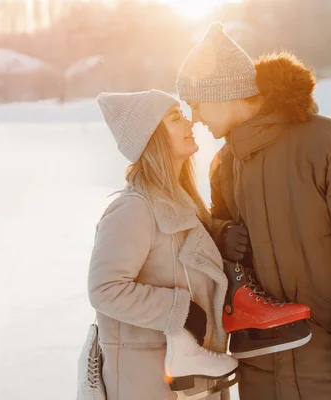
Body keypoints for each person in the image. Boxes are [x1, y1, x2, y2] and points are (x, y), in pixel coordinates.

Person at [176, 23, 331, 400]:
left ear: (224, 93)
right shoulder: (225, 164)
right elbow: (220, 255)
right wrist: (220, 233)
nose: (195, 117)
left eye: (196, 102)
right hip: (261, 369)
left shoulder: (328, 145)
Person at [87, 89, 238, 400]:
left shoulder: (183, 204)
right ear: (152, 136)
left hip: (192, 382)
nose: (190, 123)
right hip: (146, 383)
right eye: (176, 118)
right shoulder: (134, 209)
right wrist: (181, 311)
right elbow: (105, 289)